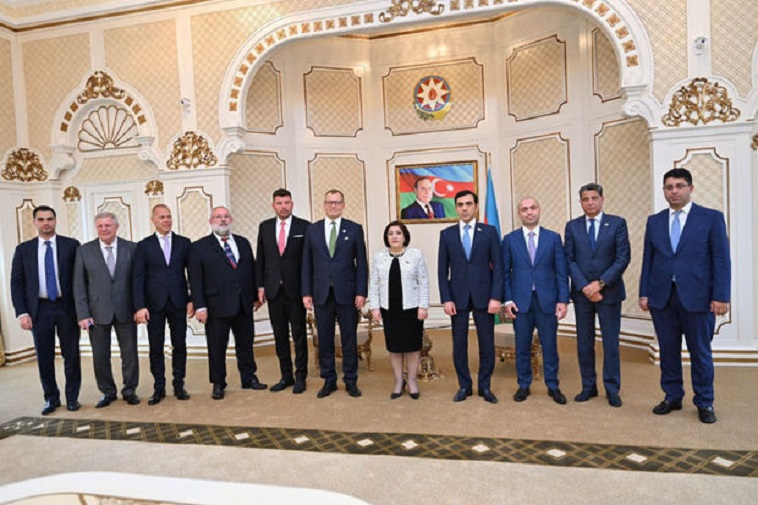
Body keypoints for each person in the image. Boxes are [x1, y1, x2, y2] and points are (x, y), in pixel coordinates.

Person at [639, 168, 730, 424]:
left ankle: (705, 401)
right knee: (668, 352)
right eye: (669, 187)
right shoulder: (655, 221)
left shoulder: (711, 218)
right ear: (664, 191)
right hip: (662, 298)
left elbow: (721, 260)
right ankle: (672, 396)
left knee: (700, 353)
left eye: (679, 186)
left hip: (698, 298)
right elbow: (648, 259)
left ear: (691, 188)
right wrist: (644, 292)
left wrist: (721, 296)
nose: (674, 191)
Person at [188, 206, 267, 400]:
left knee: (245, 344)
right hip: (215, 306)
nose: (222, 220)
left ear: (231, 219)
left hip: (243, 304)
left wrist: (255, 296)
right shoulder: (199, 247)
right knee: (217, 347)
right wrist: (200, 306)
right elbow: (195, 279)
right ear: (211, 221)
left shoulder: (242, 242)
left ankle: (249, 378)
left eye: (225, 216)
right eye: (218, 217)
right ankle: (218, 383)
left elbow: (251, 269)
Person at [11, 205, 82, 415]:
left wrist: (83, 310)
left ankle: (72, 398)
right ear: (35, 222)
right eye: (41, 219)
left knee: (71, 355)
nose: (46, 223)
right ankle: (51, 398)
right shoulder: (24, 250)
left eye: (49, 219)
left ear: (55, 220)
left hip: (66, 307)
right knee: (44, 356)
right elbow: (17, 283)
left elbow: (81, 280)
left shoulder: (71, 245)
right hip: (39, 309)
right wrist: (22, 312)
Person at [564, 183, 630, 407]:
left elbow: (623, 258)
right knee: (584, 342)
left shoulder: (617, 223)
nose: (590, 202)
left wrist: (599, 284)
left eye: (594, 198)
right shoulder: (572, 226)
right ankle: (588, 386)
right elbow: (569, 259)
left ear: (602, 199)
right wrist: (585, 287)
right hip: (582, 294)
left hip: (609, 293)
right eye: (585, 199)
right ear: (580, 202)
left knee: (610, 343)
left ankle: (612, 389)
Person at [503, 197, 569, 405]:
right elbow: (504, 273)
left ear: (539, 210)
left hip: (547, 301)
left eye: (533, 208)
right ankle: (524, 384)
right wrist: (507, 300)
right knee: (522, 346)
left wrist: (563, 300)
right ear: (519, 214)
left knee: (550, 346)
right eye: (524, 209)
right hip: (520, 302)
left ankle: (553, 385)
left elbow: (561, 272)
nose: (529, 212)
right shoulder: (510, 239)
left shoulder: (553, 238)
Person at [438, 190, 503, 403]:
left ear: (475, 206)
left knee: (487, 344)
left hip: (485, 297)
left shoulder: (489, 232)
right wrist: (446, 298)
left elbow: (499, 267)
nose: (464, 208)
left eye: (468, 204)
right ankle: (464, 386)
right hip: (457, 299)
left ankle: (485, 386)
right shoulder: (447, 234)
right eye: (460, 204)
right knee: (459, 345)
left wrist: (496, 297)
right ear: (456, 208)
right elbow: (442, 270)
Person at [302, 189, 368, 398]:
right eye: (329, 202)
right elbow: (306, 264)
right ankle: (329, 380)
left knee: (349, 339)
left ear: (343, 205)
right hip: (321, 294)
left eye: (337, 202)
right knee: (325, 340)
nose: (333, 206)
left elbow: (362, 264)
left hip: (347, 293)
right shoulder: (312, 230)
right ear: (324, 205)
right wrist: (306, 292)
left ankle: (351, 380)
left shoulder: (354, 229)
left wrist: (361, 292)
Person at [73, 212, 139, 408]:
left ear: (116, 227)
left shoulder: (132, 248)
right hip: (96, 311)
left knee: (130, 354)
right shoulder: (84, 251)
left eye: (108, 225)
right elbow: (79, 285)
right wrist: (83, 314)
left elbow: (138, 281)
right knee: (100, 355)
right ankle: (107, 391)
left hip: (126, 309)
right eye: (100, 226)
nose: (104, 229)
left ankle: (130, 390)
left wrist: (139, 307)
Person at [133, 204, 193, 405]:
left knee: (180, 345)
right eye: (161, 217)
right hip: (154, 304)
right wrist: (140, 306)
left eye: (168, 217)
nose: (166, 220)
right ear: (153, 220)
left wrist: (192, 299)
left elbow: (192, 274)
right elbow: (138, 278)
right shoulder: (143, 246)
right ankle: (159, 387)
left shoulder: (184, 243)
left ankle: (179, 385)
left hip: (178, 302)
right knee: (156, 348)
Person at [256, 189, 310, 394]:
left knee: (299, 336)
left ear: (292, 204)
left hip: (296, 291)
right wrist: (260, 287)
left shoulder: (304, 227)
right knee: (280, 337)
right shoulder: (265, 227)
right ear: (273, 206)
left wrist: (307, 291)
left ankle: (300, 376)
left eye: (287, 203)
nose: (283, 206)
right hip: (273, 291)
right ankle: (286, 376)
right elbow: (261, 259)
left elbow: (308, 261)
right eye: (279, 203)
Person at [369, 221, 429, 400]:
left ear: (404, 236)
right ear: (386, 238)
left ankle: (412, 380)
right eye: (390, 233)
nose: (394, 236)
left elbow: (423, 281)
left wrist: (423, 306)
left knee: (412, 346)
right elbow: (374, 284)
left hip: (411, 309)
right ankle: (398, 381)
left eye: (398, 233)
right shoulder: (379, 257)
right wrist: (374, 307)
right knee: (394, 347)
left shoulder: (416, 254)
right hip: (389, 309)